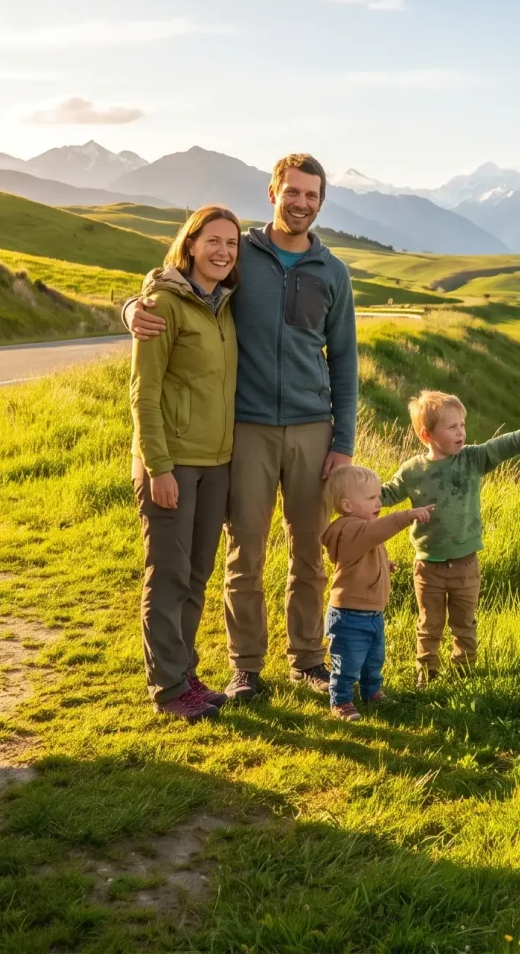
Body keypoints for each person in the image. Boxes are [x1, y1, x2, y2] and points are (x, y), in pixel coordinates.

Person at [125, 154, 358, 701]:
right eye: (292, 192)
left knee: (308, 552)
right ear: (273, 191)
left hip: (312, 431)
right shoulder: (241, 256)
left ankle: (307, 658)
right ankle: (246, 666)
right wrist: (133, 305)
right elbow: (177, 278)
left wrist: (342, 443)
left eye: (312, 195)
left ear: (321, 202)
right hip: (245, 430)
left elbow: (344, 362)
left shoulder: (334, 273)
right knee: (244, 552)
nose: (301, 203)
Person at [129, 205, 243, 722]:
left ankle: (186, 673)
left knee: (197, 574)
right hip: (171, 462)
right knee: (169, 576)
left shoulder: (223, 306)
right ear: (191, 244)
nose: (223, 251)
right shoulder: (163, 305)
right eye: (213, 241)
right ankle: (169, 689)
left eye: (232, 244)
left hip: (215, 463)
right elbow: (143, 394)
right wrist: (158, 467)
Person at [381, 390, 520, 681]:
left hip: (465, 564)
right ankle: (427, 672)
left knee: (464, 623)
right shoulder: (413, 471)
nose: (461, 431)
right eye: (452, 427)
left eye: (462, 424)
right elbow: (387, 494)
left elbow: (498, 446)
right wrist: (359, 489)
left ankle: (464, 672)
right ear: (427, 435)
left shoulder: (472, 459)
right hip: (428, 566)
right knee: (429, 623)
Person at [319, 465, 433, 721]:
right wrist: (407, 516)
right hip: (349, 615)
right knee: (347, 663)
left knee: (373, 660)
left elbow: (366, 555)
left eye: (378, 496)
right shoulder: (350, 529)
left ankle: (372, 692)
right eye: (370, 498)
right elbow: (377, 531)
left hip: (372, 613)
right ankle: (341, 701)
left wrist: (385, 565)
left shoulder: (362, 528)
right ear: (347, 505)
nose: (378, 502)